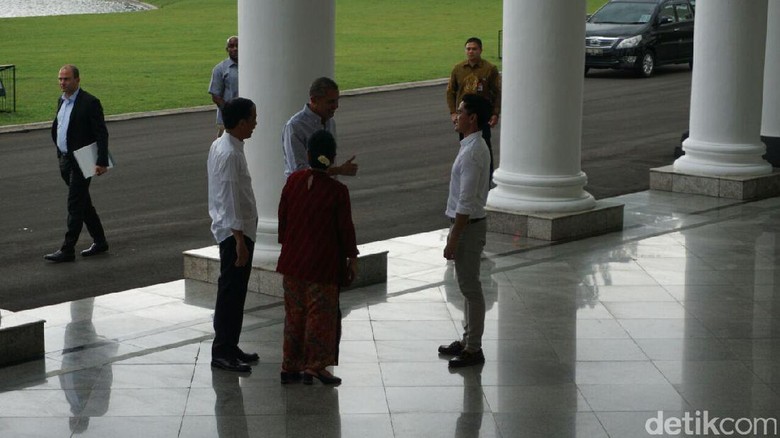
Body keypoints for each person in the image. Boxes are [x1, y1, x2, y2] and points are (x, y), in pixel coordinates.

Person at [277, 130, 359, 385]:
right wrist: (351, 257)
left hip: (292, 263)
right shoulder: (337, 191)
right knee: (320, 316)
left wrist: (290, 244)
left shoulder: (293, 181)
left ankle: (290, 365)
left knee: (294, 315)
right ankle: (315, 365)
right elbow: (345, 230)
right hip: (322, 265)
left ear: (308, 154)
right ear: (332, 157)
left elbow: (283, 221)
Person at [207, 97, 260, 373]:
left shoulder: (225, 145)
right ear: (240, 123)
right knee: (230, 293)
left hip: (237, 230)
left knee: (235, 293)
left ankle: (230, 345)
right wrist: (239, 241)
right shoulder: (229, 153)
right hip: (234, 235)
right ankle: (221, 351)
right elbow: (229, 200)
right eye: (252, 118)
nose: (255, 123)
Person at [438, 94, 491, 368]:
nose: (455, 115)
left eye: (460, 111)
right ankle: (468, 338)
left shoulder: (472, 152)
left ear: (472, 118)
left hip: (468, 228)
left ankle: (474, 348)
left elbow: (466, 201)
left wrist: (453, 236)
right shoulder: (470, 145)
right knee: (467, 286)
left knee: (471, 288)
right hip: (467, 226)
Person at [45, 65, 110, 263]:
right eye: (60, 79)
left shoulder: (90, 102)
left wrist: (101, 161)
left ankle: (68, 249)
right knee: (83, 203)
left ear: (77, 80)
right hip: (65, 160)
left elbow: (101, 133)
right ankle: (100, 241)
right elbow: (60, 127)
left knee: (74, 204)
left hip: (84, 160)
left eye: (66, 79)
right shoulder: (61, 101)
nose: (62, 83)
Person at [446, 37, 501, 181]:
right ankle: (466, 177)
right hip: (464, 115)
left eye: (474, 49)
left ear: (481, 50)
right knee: (465, 147)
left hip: (482, 116)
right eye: (468, 49)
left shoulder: (489, 69)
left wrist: (495, 113)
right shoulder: (458, 69)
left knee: (484, 148)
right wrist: (453, 112)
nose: (471, 51)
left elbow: (497, 93)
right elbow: (451, 91)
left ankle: (486, 180)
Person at [282, 77, 357, 178]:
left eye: (337, 101)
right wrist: (339, 170)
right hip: (305, 192)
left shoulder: (330, 122)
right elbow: (299, 171)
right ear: (314, 100)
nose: (336, 106)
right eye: (330, 102)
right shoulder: (295, 127)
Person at [209, 36, 239, 136]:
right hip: (227, 121)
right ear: (227, 49)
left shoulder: (250, 66)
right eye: (231, 46)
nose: (235, 48)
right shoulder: (220, 69)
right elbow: (216, 96)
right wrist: (229, 111)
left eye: (237, 46)